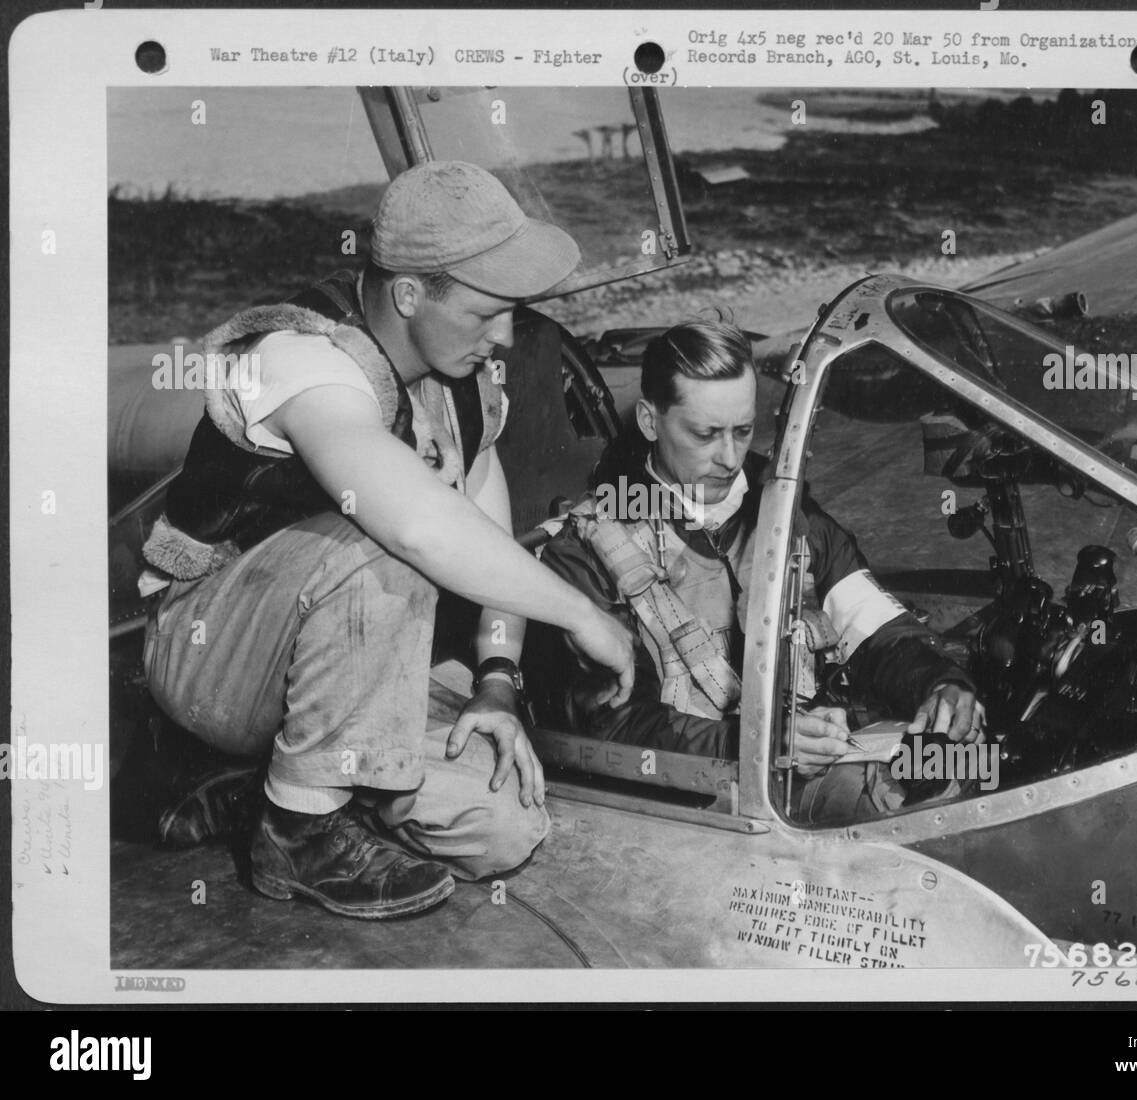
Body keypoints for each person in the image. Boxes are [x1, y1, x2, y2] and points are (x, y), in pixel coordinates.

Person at [139, 161, 635, 919]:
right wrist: (585, 615)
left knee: (502, 826)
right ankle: (298, 831)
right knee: (382, 540)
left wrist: (498, 679)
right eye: (486, 312)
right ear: (409, 294)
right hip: (214, 656)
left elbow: (483, 526)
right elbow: (417, 525)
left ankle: (266, 789)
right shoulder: (304, 358)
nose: (505, 337)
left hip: (345, 663)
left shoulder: (464, 376)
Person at [530, 319, 983, 823]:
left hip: (815, 751)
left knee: (974, 761)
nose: (729, 458)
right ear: (649, 421)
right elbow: (612, 730)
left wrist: (940, 683)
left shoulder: (785, 508)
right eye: (705, 434)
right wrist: (758, 741)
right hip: (699, 801)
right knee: (898, 808)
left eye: (742, 431)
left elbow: (876, 627)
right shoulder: (589, 549)